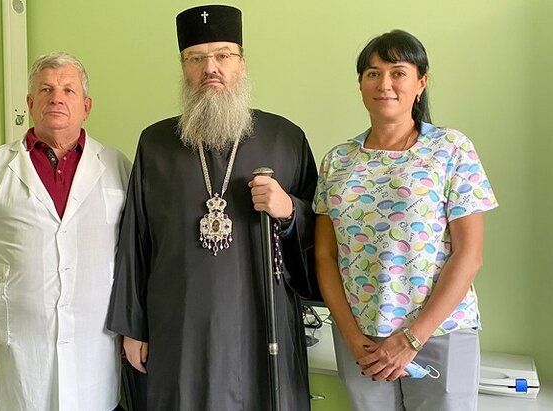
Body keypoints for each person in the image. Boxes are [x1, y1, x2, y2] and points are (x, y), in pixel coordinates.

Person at [106, 5, 318, 410]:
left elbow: (321, 238)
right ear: (183, 68)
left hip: (261, 323)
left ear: (242, 62)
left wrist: (289, 210)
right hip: (180, 326)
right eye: (196, 58)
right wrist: (132, 327)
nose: (210, 68)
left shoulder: (286, 138)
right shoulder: (155, 144)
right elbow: (135, 242)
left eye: (223, 55)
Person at [313, 30, 498, 410]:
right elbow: (325, 256)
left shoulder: (451, 149)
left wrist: (412, 338)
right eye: (373, 73)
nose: (384, 84)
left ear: (421, 82)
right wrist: (350, 334)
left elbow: (469, 255)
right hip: (361, 339)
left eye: (398, 72)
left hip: (439, 331)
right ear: (360, 84)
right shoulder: (338, 160)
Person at [0, 52, 131, 411]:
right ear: (31, 103)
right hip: (20, 346)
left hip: (95, 344)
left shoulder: (117, 166)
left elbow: (135, 254)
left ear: (86, 106)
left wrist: (134, 327)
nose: (56, 98)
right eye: (46, 89)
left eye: (68, 90)